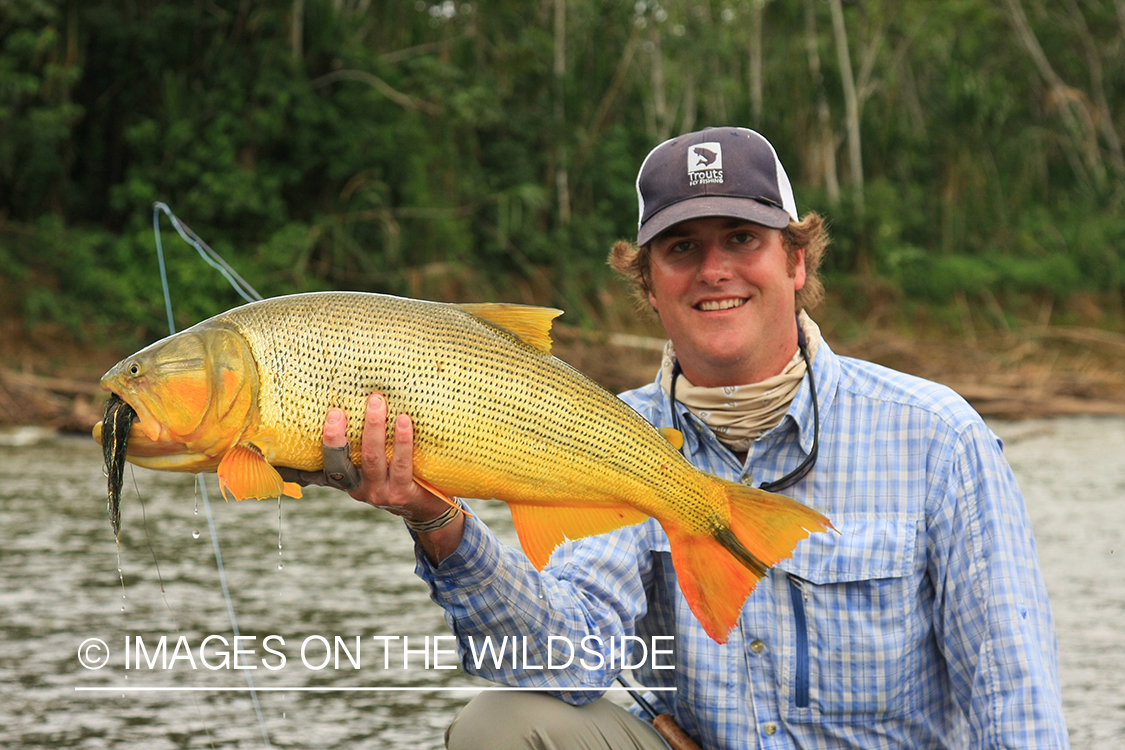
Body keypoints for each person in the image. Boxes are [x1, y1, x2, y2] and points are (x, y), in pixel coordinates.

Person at [291, 127, 1070, 748]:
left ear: (795, 261)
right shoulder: (607, 432)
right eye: (682, 248)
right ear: (649, 285)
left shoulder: (938, 436)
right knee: (497, 728)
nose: (713, 270)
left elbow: (1010, 690)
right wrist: (437, 520)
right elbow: (563, 659)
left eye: (741, 238)